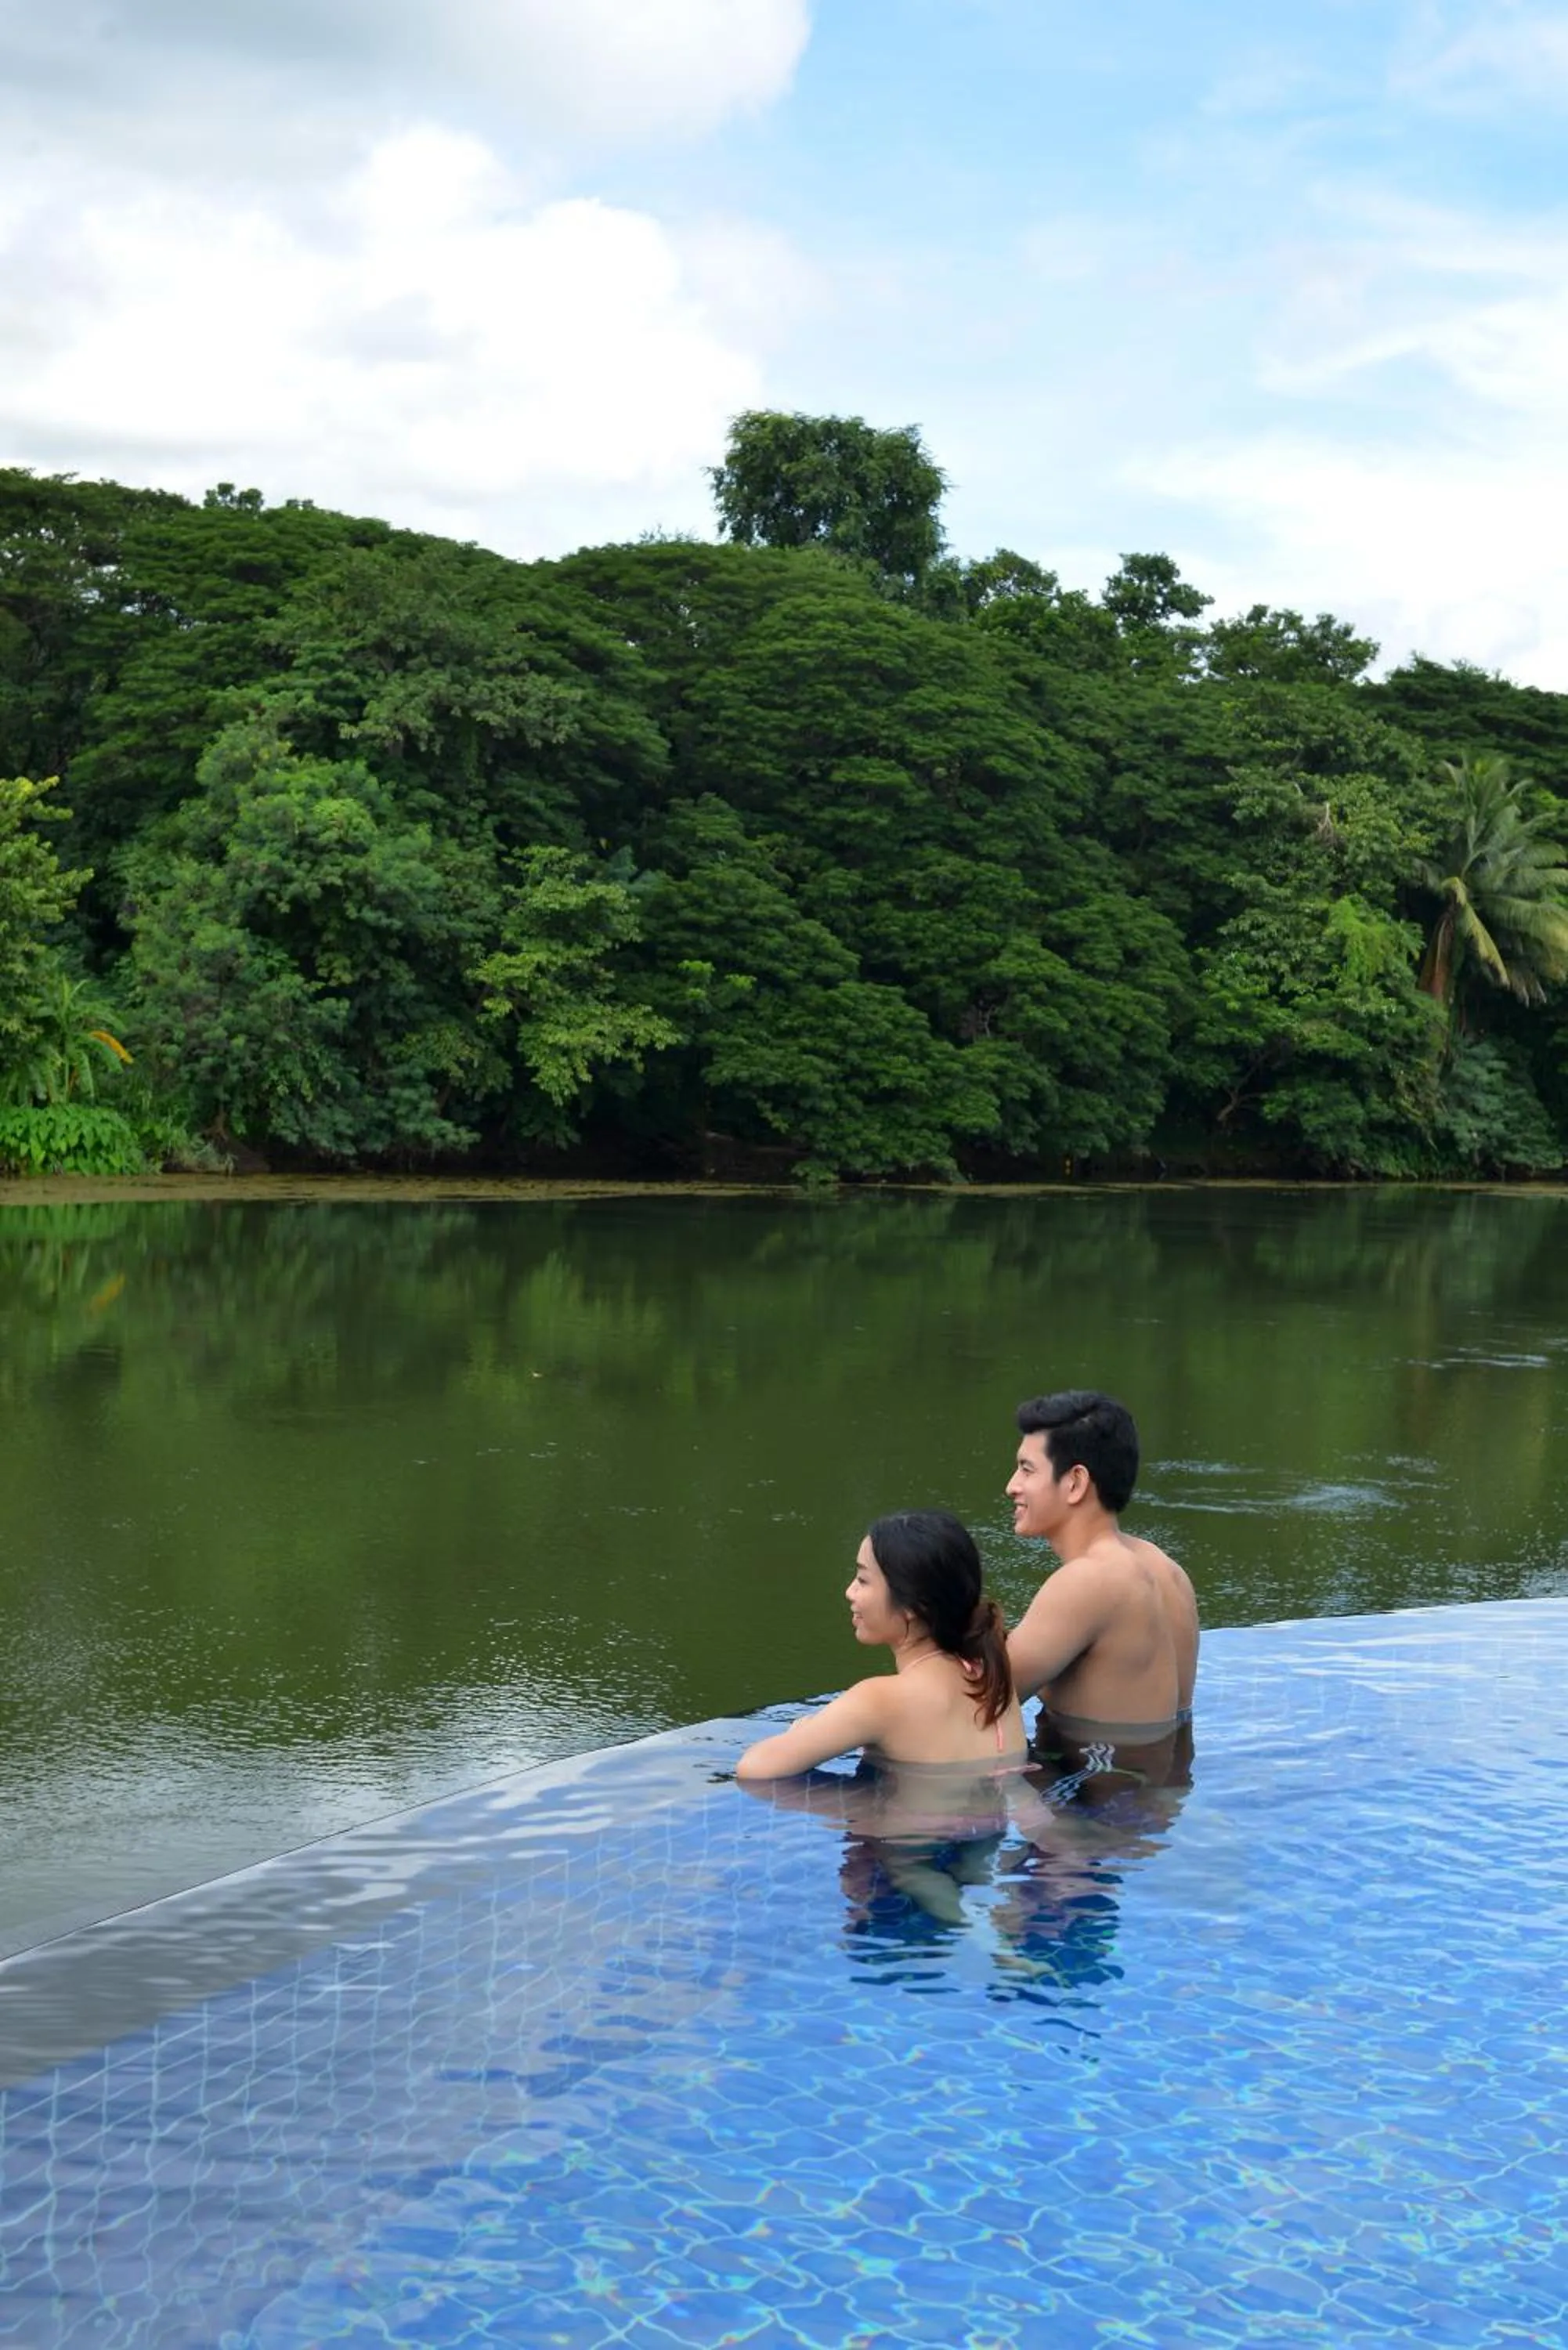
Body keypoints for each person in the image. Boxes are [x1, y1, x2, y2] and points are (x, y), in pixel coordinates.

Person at [735, 1509, 1026, 1782]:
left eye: (863, 1580)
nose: (850, 1592)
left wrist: (802, 1732)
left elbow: (754, 1769)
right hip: (993, 1834)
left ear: (913, 1604)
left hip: (906, 1835)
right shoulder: (995, 1678)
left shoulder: (879, 1700)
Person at [1006, 1390, 1199, 1792]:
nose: (1012, 1486)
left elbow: (975, 1704)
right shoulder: (1166, 1569)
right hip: (1154, 1813)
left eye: (1027, 1470)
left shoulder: (1089, 1581)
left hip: (1094, 1827)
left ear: (1075, 1482)